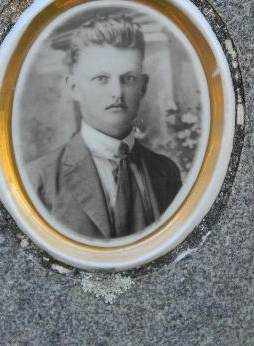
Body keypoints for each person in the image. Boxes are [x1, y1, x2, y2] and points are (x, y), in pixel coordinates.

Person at [28, 15, 182, 239]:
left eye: (128, 78)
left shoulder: (166, 172)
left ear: (143, 86)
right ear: (74, 88)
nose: (117, 93)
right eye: (101, 78)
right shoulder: (39, 178)